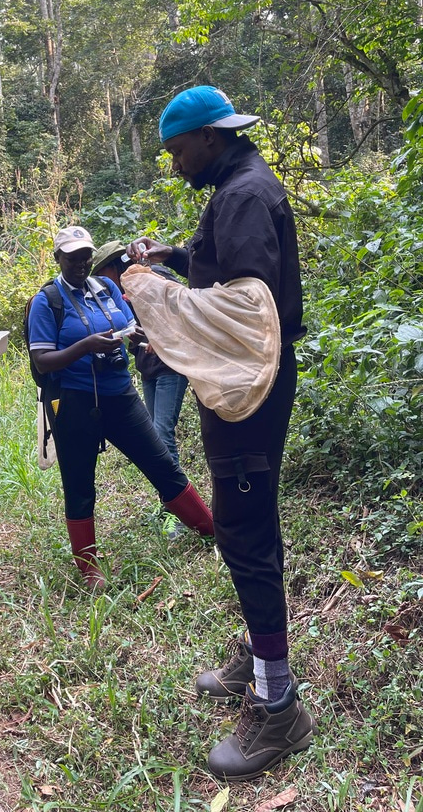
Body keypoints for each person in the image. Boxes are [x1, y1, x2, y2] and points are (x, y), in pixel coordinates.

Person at [127, 85, 314, 780]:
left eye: (178, 150)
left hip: (250, 391)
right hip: (246, 383)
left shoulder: (241, 196)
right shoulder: (238, 183)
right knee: (248, 522)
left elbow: (242, 312)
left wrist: (151, 292)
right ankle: (260, 653)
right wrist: (176, 258)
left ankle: (279, 707)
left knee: (244, 530)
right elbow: (223, 274)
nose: (174, 164)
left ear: (210, 136)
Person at [26, 225, 214, 589]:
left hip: (120, 395)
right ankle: (88, 566)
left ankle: (209, 528)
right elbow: (43, 360)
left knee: (160, 462)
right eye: (72, 257)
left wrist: (140, 339)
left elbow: (126, 327)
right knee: (79, 483)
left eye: (85, 256)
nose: (80, 263)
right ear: (58, 259)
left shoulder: (106, 288)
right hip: (75, 402)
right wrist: (85, 347)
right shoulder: (47, 301)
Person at [91, 242, 192, 539]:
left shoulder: (153, 276)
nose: (99, 279)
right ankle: (170, 505)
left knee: (162, 433)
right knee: (156, 438)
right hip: (147, 367)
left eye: (101, 272)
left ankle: (177, 514)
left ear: (114, 266)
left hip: (171, 366)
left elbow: (185, 310)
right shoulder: (113, 293)